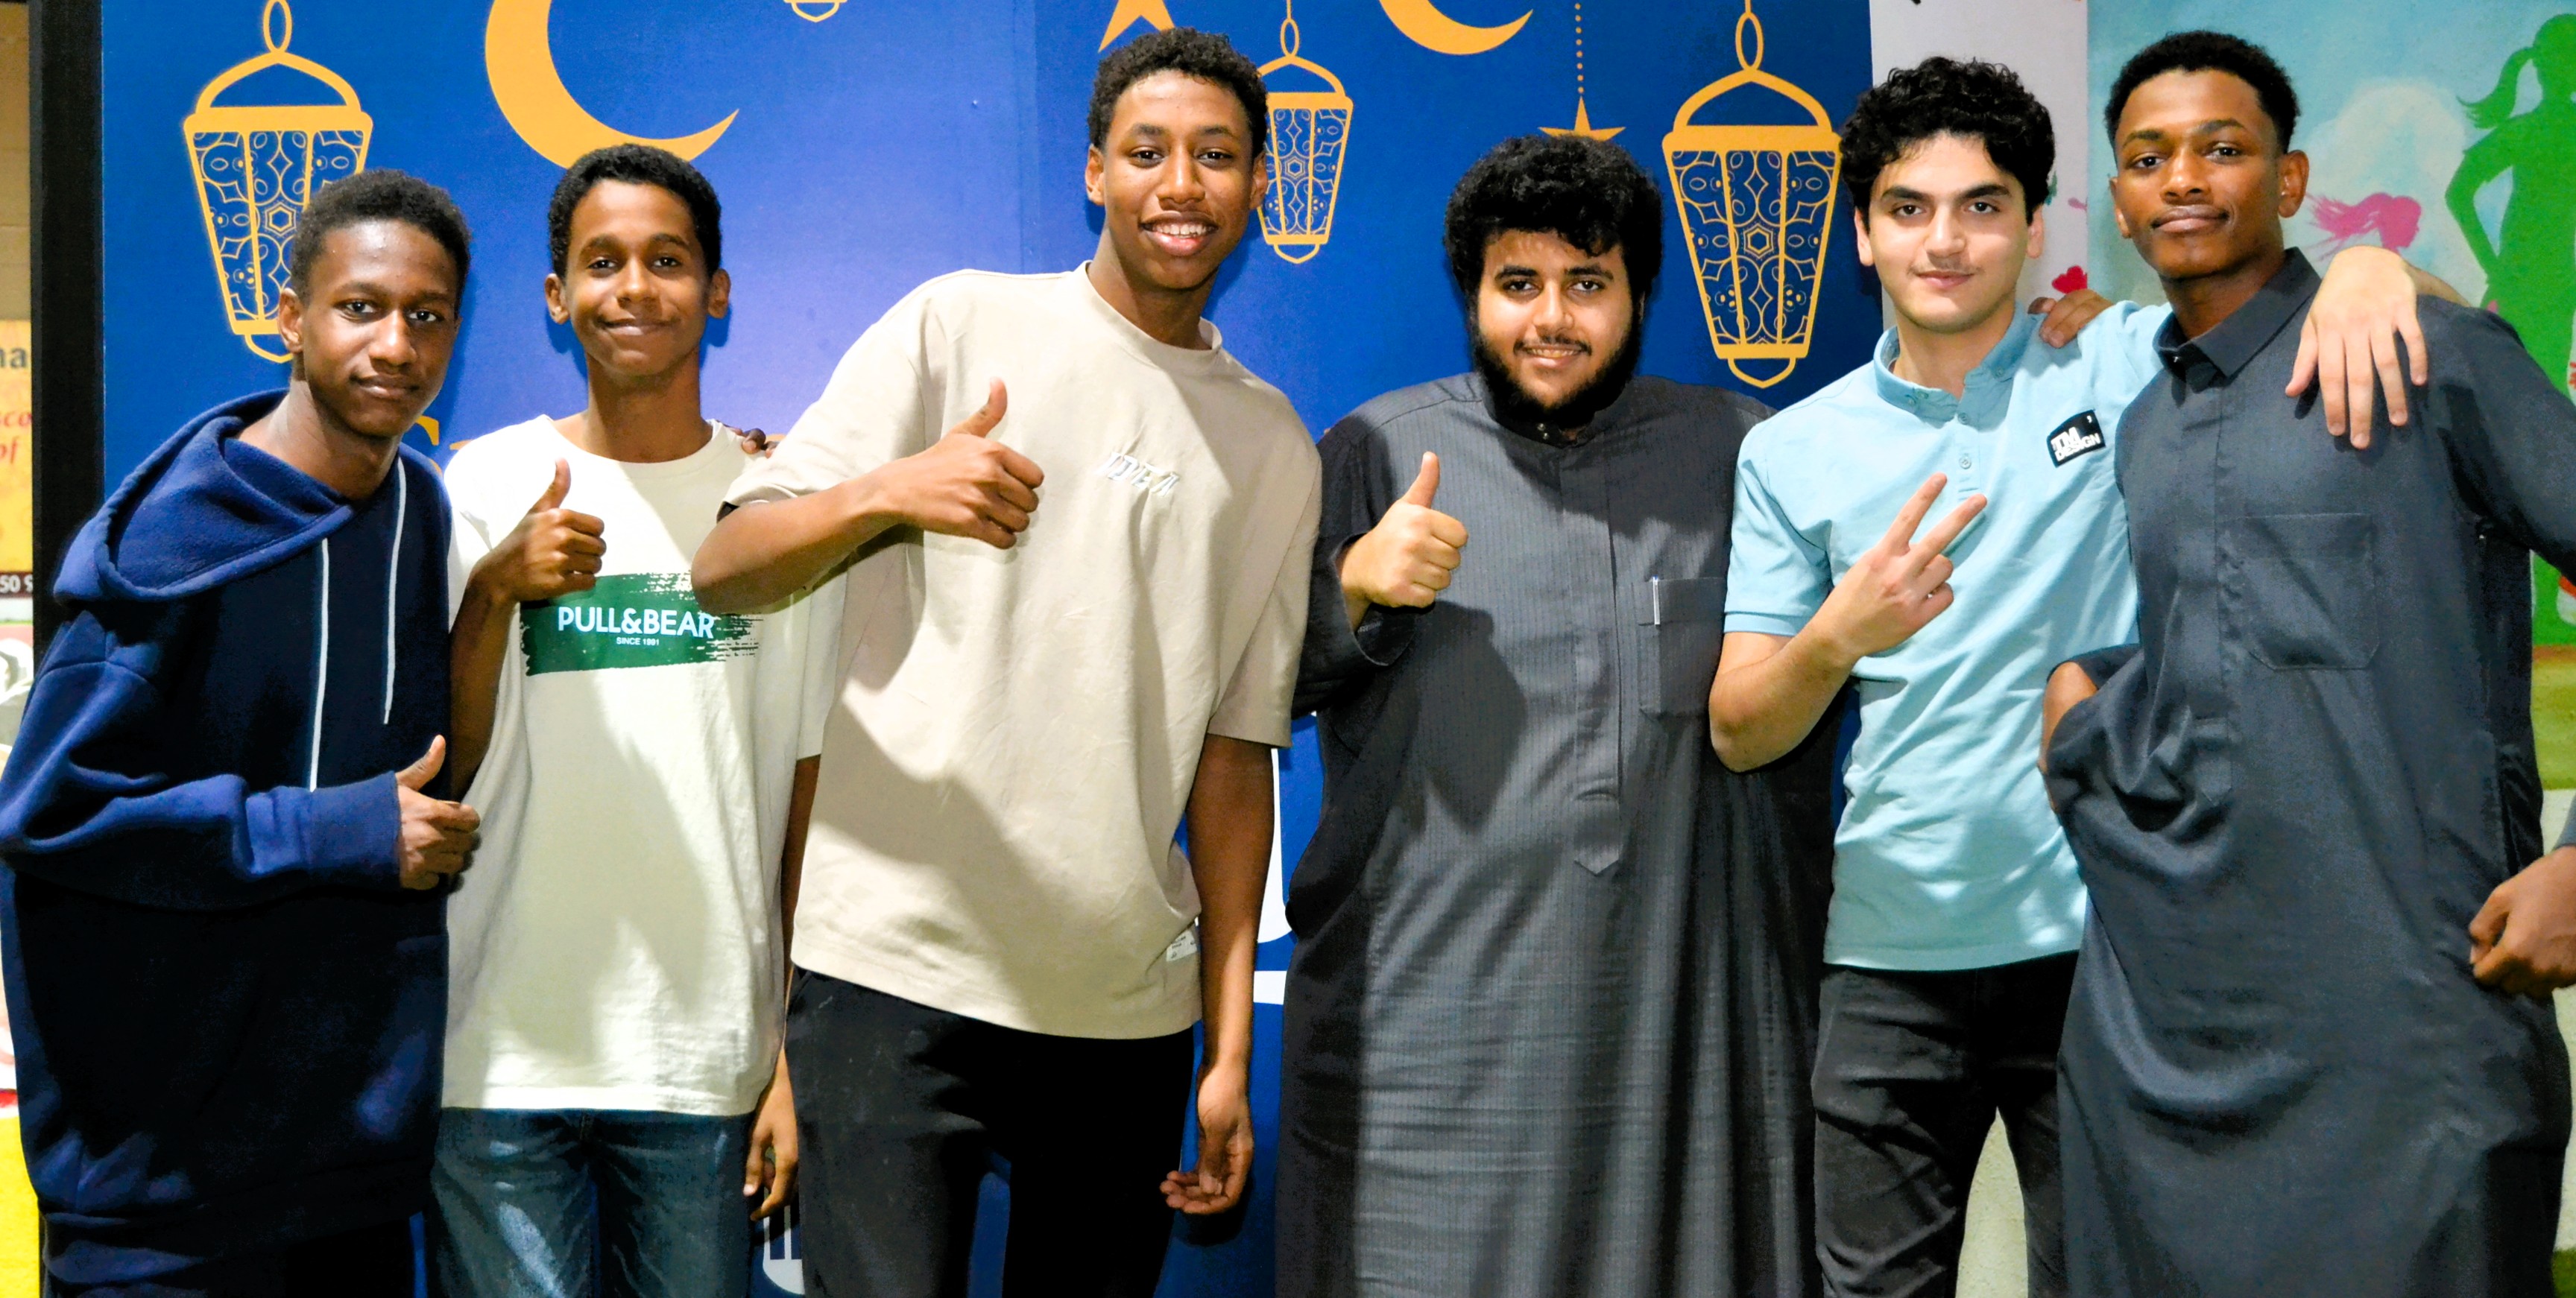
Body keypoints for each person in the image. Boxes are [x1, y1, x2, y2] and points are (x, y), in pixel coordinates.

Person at [1708, 57, 2443, 1297]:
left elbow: (2393, 315)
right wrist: (1840, 633)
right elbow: (1739, 730)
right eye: (1908, 208)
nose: (1946, 241)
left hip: (2108, 943)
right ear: (1861, 234)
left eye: (1983, 206)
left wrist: (2369, 266)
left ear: (2036, 225)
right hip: (1889, 953)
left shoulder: (2123, 356)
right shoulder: (1791, 448)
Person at [689, 27, 1318, 1298]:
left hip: (1121, 1005)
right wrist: (889, 490)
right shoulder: (958, 321)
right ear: (1094, 171)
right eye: (1147, 151)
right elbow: (727, 566)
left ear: (1259, 185)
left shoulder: (1273, 446)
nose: (1181, 184)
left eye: (1216, 156)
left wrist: (1227, 1044)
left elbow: (1235, 757)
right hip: (893, 971)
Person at [2040, 31, 2576, 1296]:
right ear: (2119, 200)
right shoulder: (2149, 425)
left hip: (2415, 1036)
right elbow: (2241, 652)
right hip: (2173, 1043)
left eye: (2221, 148)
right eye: (2148, 159)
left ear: (2289, 180)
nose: (2182, 179)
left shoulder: (2425, 354)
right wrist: (2090, 700)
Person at [1275, 133, 1841, 1298]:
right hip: (1438, 1044)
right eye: (1517, 283)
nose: (1552, 319)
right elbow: (1254, 688)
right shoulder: (1379, 451)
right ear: (1472, 296)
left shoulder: (1743, 451)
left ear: (1640, 296)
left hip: (1685, 1039)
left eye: (1589, 283)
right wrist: (1355, 587)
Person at [0, 171, 476, 1296]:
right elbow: (51, 811)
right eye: (360, 307)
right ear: (291, 318)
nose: (396, 345)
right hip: (162, 1197)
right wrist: (337, 831)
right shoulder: (173, 540)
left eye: (427, 315)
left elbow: (411, 778)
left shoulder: (417, 508)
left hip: (348, 1172)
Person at [430, 145, 837, 1298]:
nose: (634, 288)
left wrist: (792, 1049)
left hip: (705, 1056)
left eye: (668, 260)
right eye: (601, 262)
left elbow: (808, 799)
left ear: (717, 290)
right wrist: (494, 589)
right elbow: (438, 761)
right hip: (498, 1051)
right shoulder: (483, 483)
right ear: (557, 296)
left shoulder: (776, 506)